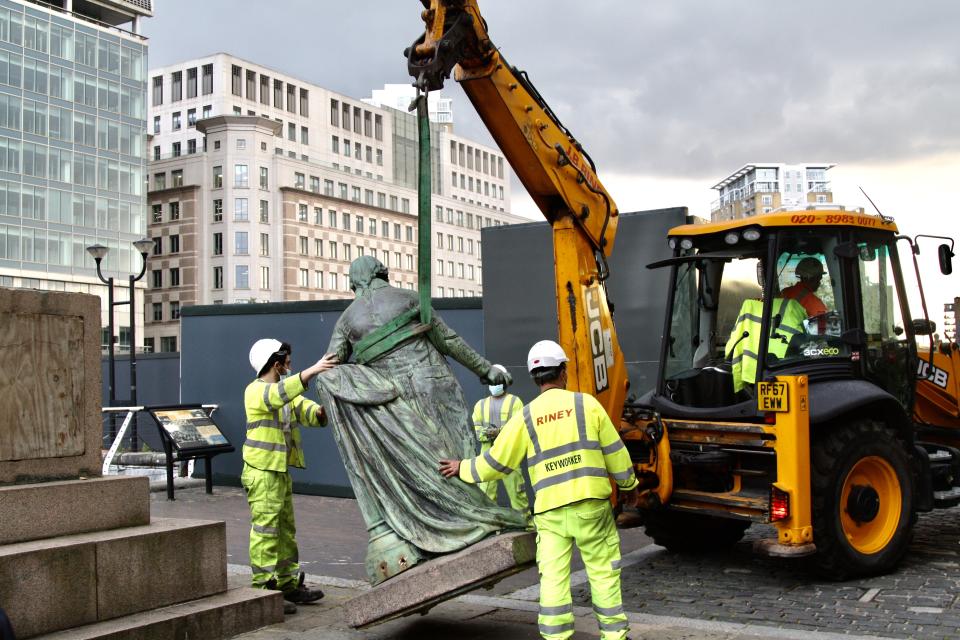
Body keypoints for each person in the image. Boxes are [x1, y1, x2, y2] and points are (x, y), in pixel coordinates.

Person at [316, 256, 528, 585]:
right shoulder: (409, 299)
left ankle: (439, 530)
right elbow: (449, 341)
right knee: (456, 454)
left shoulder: (346, 320)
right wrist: (486, 369)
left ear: (356, 283)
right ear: (383, 274)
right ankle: (476, 522)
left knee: (421, 461)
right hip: (433, 383)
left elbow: (331, 366)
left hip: (393, 398)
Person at [440, 340, 639, 640]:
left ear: (536, 379)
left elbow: (496, 463)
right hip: (591, 508)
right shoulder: (587, 405)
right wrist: (630, 487)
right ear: (562, 373)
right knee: (603, 576)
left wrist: (462, 468)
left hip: (550, 514)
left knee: (554, 583)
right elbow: (616, 453)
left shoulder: (526, 417)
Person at [243, 338, 337, 614]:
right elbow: (280, 394)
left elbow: (308, 412)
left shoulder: (285, 395)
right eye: (287, 360)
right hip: (261, 472)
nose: (290, 364)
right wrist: (314, 370)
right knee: (265, 531)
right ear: (276, 363)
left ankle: (287, 584)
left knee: (285, 532)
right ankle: (262, 590)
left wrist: (324, 410)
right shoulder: (255, 391)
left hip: (278, 471)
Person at [472, 364, 530, 521]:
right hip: (487, 458)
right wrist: (495, 432)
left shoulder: (515, 402)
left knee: (518, 495)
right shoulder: (480, 405)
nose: (494, 384)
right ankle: (491, 528)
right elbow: (478, 433)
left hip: (509, 457)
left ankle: (526, 525)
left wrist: (497, 432)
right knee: (486, 497)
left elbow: (518, 430)